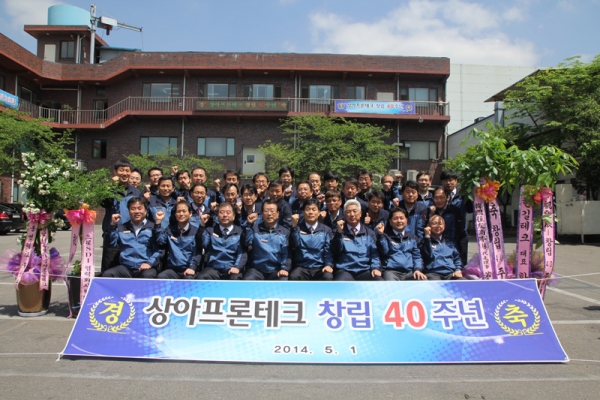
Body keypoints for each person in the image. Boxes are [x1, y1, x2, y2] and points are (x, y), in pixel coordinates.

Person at [102, 197, 161, 279]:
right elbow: (111, 243)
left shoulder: (153, 228)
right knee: (108, 274)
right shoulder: (122, 228)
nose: (136, 211)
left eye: (140, 208)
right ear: (128, 211)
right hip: (125, 267)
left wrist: (149, 263)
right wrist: (113, 225)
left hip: (145, 266)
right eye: (133, 209)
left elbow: (159, 250)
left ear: (146, 211)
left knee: (149, 275)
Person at [100, 160, 141, 273]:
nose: (124, 173)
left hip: (129, 235)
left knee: (127, 269)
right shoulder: (109, 189)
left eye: (127, 171)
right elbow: (104, 203)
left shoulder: (136, 192)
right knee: (108, 268)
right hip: (113, 233)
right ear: (115, 172)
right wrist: (111, 187)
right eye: (121, 170)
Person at [331, 199, 383, 281]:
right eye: (348, 212)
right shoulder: (338, 231)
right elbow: (335, 251)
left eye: (355, 211)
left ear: (360, 213)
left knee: (379, 282)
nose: (352, 214)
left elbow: (374, 254)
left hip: (365, 270)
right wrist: (339, 233)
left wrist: (375, 268)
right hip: (345, 270)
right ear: (344, 214)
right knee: (339, 284)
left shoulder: (369, 233)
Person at [196, 202, 247, 280]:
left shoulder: (240, 232)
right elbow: (203, 244)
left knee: (236, 278)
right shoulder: (210, 231)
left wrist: (237, 267)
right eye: (222, 212)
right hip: (213, 268)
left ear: (234, 216)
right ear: (217, 215)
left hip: (232, 268)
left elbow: (242, 253)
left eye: (228, 212)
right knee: (202, 277)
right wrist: (202, 225)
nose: (225, 215)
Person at [244, 199, 291, 281]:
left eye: (272, 211)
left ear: (278, 214)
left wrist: (284, 268)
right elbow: (247, 243)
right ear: (262, 213)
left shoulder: (285, 232)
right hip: (257, 270)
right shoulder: (254, 229)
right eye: (266, 211)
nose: (269, 214)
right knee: (247, 280)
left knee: (283, 280)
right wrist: (249, 225)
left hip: (276, 270)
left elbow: (286, 253)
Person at [154, 201, 202, 279]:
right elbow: (160, 241)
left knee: (188, 279)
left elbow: (198, 252)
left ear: (190, 213)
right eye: (178, 211)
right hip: (172, 269)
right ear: (175, 214)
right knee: (161, 277)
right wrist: (158, 222)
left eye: (184, 211)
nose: (181, 214)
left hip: (189, 269)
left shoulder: (196, 231)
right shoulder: (170, 229)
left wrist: (193, 267)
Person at [289, 198, 334, 281]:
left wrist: (328, 265)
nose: (310, 212)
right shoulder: (297, 229)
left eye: (314, 209)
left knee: (328, 277)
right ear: (303, 213)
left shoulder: (326, 230)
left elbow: (328, 250)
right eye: (307, 209)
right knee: (294, 276)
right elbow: (295, 244)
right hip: (301, 267)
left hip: (320, 267)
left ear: (319, 212)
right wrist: (294, 227)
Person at [376, 208, 425, 281]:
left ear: (406, 220)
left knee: (422, 280)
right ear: (390, 221)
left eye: (401, 218)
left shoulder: (413, 238)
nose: (399, 221)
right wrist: (381, 234)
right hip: (391, 272)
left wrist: (417, 269)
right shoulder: (385, 237)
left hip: (410, 272)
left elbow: (417, 257)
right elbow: (384, 252)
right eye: (395, 218)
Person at [440, 170, 473, 265]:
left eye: (450, 180)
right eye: (445, 180)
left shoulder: (463, 195)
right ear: (442, 182)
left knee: (461, 262)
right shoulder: (439, 195)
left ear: (456, 181)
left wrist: (467, 196)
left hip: (460, 234)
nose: (448, 183)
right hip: (443, 235)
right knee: (446, 261)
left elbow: (470, 209)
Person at [421, 215, 464, 280]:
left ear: (444, 226)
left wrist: (458, 270)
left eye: (440, 224)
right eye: (434, 223)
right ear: (428, 226)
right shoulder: (424, 241)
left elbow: (457, 258)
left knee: (463, 281)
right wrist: (427, 237)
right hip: (433, 273)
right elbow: (427, 255)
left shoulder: (450, 242)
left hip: (450, 273)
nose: (437, 226)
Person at [429, 187, 465, 257]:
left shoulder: (454, 210)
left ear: (448, 198)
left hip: (451, 244)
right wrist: (431, 215)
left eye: (442, 197)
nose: (439, 200)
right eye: (436, 198)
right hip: (434, 245)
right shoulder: (430, 210)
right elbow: (427, 228)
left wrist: (451, 244)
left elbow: (457, 230)